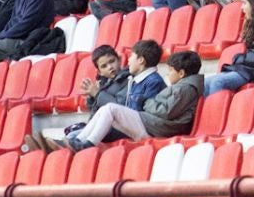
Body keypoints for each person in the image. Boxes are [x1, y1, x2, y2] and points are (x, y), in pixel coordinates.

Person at [57, 50, 204, 150]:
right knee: (107, 109)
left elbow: (166, 111)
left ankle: (87, 143)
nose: (168, 73)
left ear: (181, 73)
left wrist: (145, 102)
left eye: (171, 70)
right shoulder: (182, 86)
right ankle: (80, 140)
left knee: (110, 108)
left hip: (158, 130)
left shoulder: (186, 88)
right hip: (153, 125)